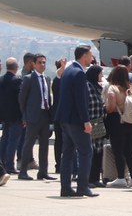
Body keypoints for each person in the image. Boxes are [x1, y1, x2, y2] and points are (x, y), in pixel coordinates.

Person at [55, 45, 98, 197]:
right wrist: (86, 121)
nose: (92, 58)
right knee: (86, 152)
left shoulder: (67, 70)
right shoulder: (79, 73)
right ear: (84, 56)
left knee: (67, 154)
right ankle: (83, 187)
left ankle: (65, 188)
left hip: (64, 119)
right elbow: (80, 100)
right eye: (90, 55)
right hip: (76, 120)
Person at [18, 54, 54, 181]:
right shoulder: (28, 79)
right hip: (32, 116)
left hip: (45, 115)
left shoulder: (47, 79)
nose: (42, 65)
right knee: (28, 144)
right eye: (39, 62)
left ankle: (43, 172)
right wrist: (25, 116)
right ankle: (23, 171)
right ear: (34, 64)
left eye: (44, 62)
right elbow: (22, 99)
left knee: (44, 145)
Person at [104, 65, 132, 188]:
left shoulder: (113, 88)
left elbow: (112, 107)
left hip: (117, 121)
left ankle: (121, 177)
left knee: (118, 151)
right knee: (129, 150)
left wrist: (105, 109)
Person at [0, 57, 22, 175]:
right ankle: (10, 165)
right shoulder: (17, 80)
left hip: (4, 115)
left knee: (4, 139)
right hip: (15, 115)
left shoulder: (1, 80)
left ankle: (2, 163)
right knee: (13, 141)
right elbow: (20, 100)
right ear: (16, 68)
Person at [85, 65, 106, 188]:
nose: (102, 76)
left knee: (99, 152)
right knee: (91, 152)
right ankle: (88, 178)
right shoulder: (87, 86)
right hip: (91, 123)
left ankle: (95, 178)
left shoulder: (97, 87)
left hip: (99, 123)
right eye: (100, 74)